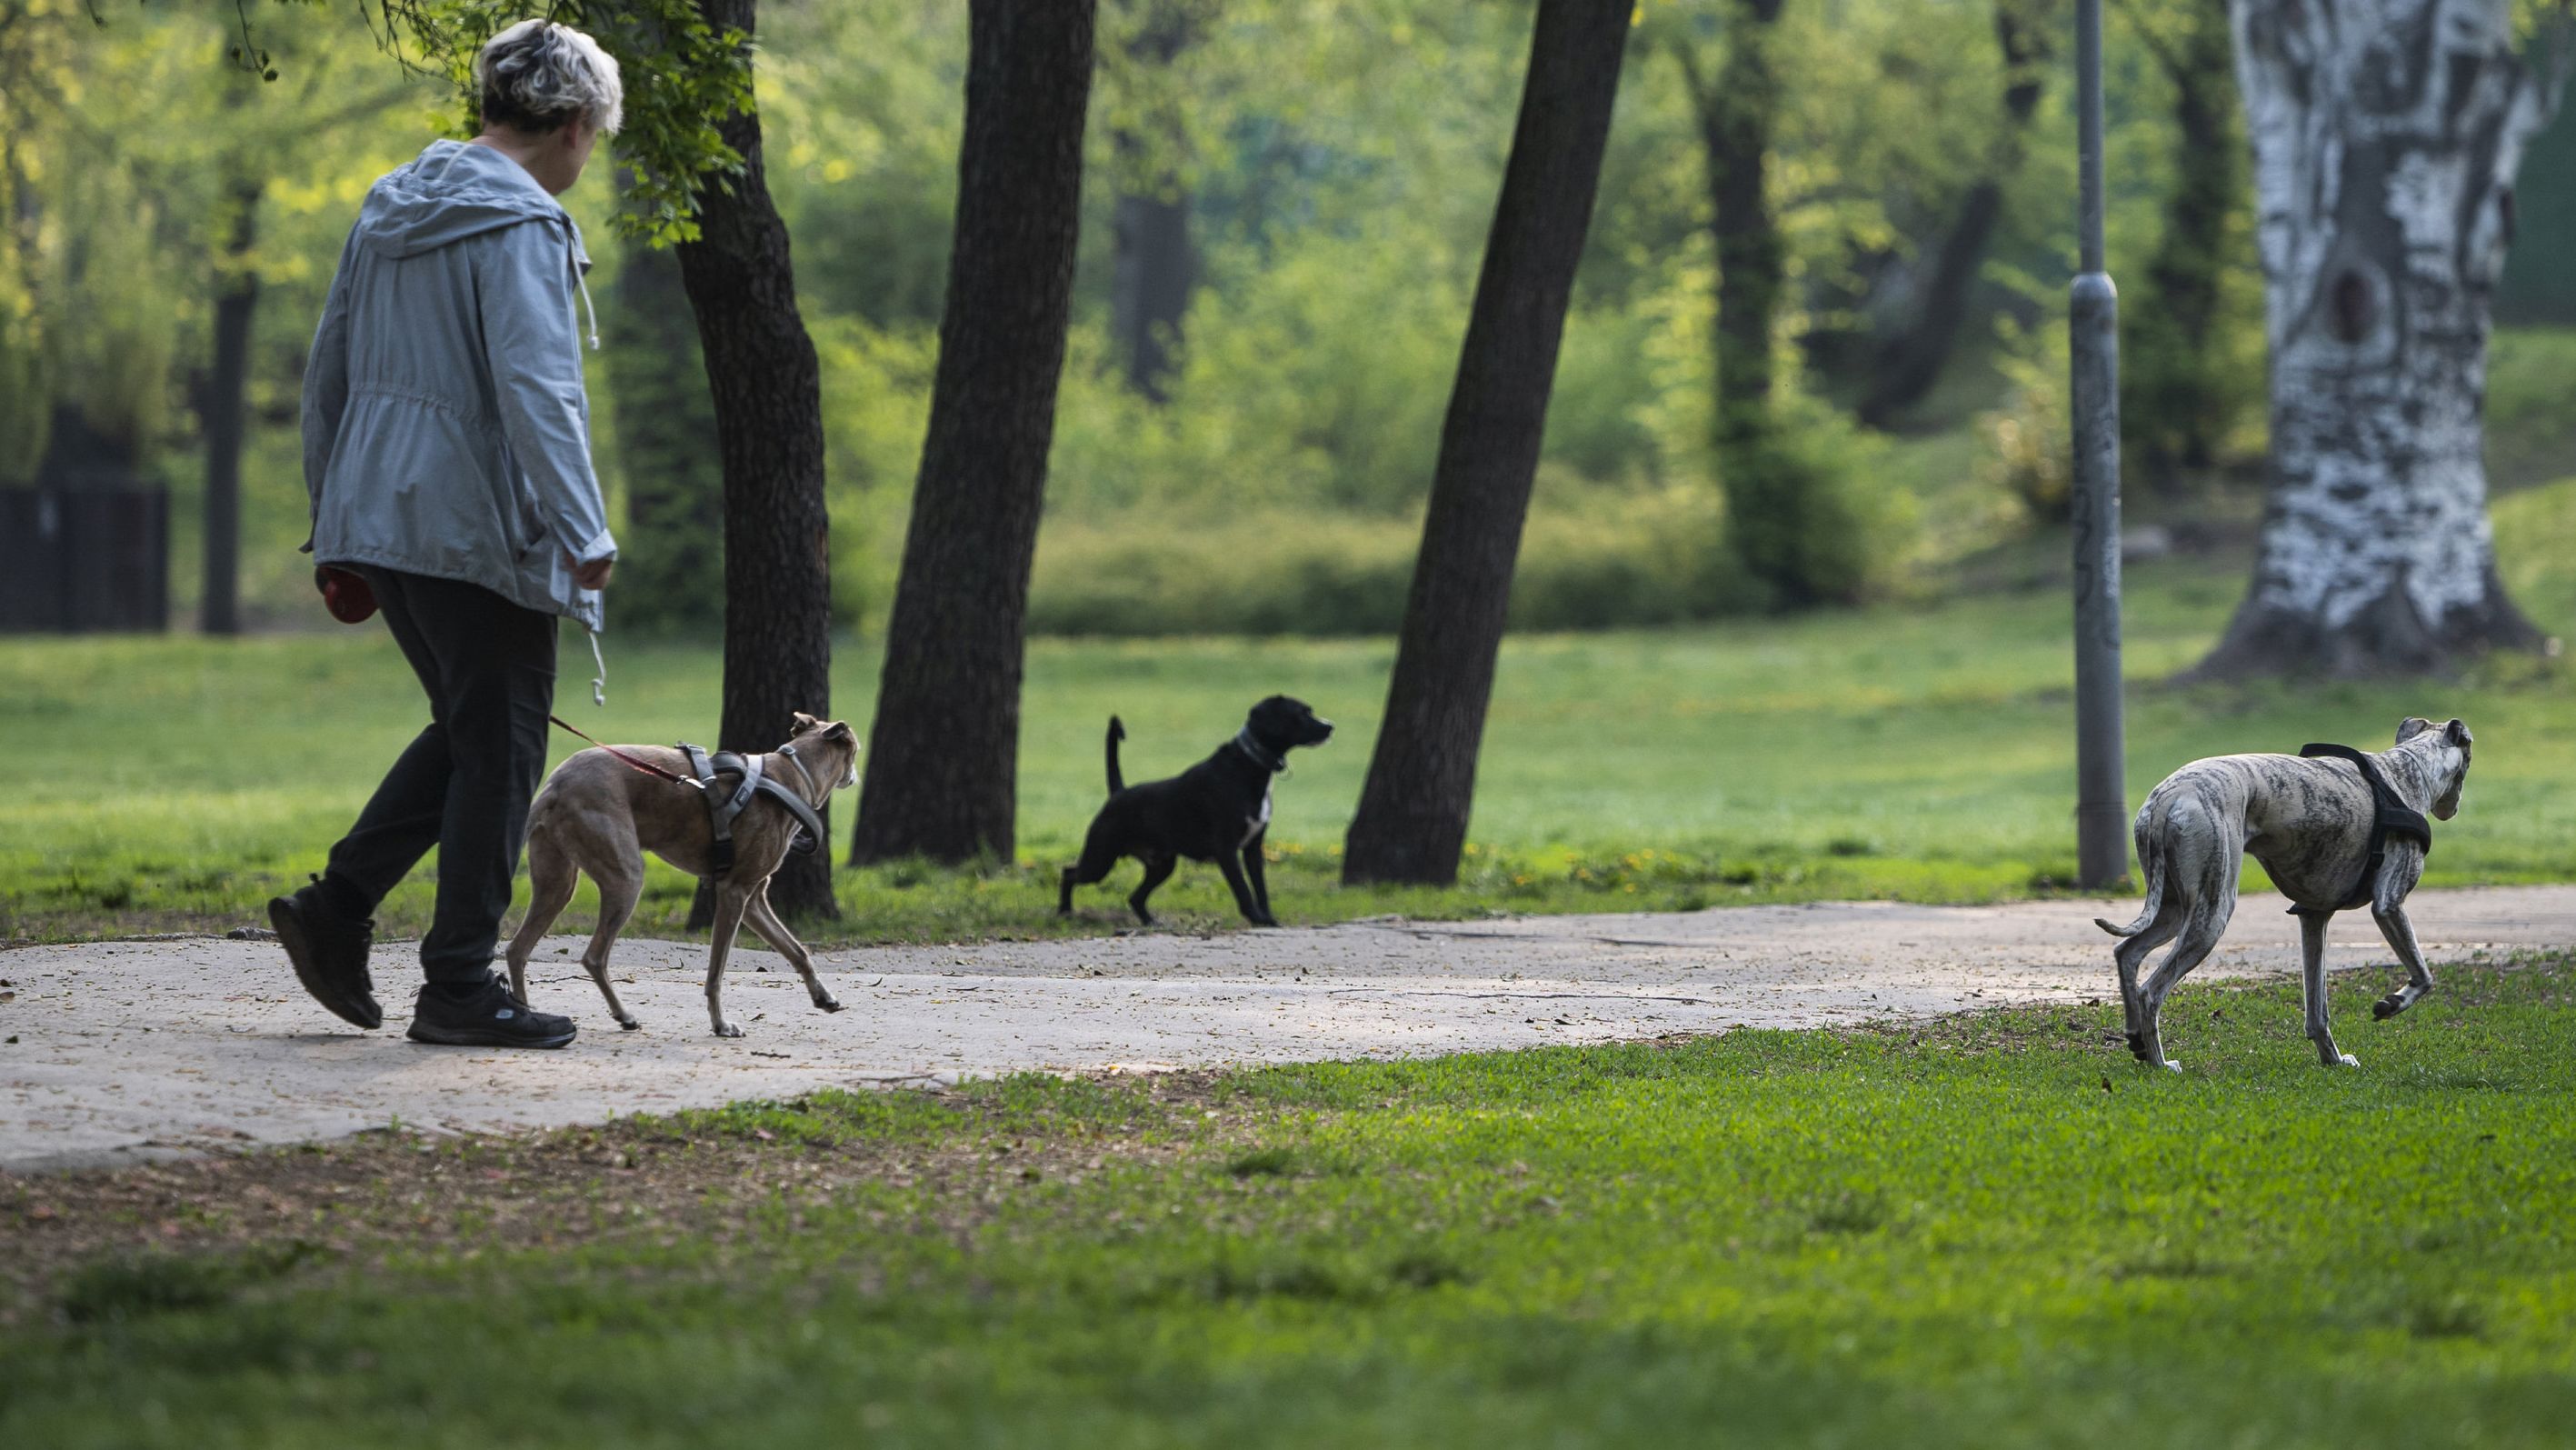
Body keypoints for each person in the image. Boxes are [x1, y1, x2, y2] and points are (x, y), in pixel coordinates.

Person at [269, 20, 624, 1049]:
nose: (584, 160)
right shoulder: (520, 225)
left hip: (383, 511)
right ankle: (461, 985)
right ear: (565, 123)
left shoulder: (393, 204)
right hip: (476, 525)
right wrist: (581, 523)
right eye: (590, 137)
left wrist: (335, 515)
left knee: (474, 731)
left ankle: (337, 907)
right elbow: (539, 387)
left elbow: (327, 366)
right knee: (504, 747)